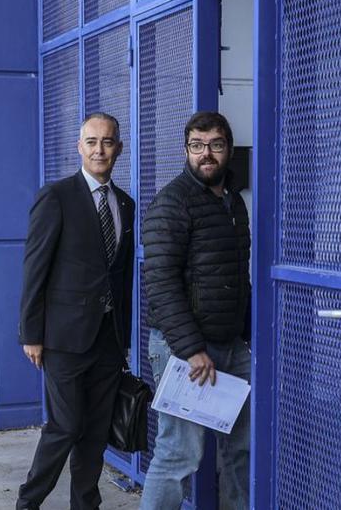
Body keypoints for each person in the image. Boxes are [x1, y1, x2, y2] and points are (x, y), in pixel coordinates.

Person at [17, 113, 135, 510]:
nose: (99, 149)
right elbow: (35, 268)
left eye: (107, 141)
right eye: (91, 141)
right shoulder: (57, 196)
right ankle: (28, 503)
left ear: (119, 147)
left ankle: (86, 505)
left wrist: (125, 339)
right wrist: (31, 333)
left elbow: (121, 278)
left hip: (107, 339)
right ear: (79, 147)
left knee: (95, 432)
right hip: (63, 338)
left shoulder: (125, 204)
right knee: (65, 426)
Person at [140, 111, 252, 510]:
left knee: (243, 449)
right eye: (197, 146)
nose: (207, 154)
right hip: (184, 350)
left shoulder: (233, 203)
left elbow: (237, 276)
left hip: (232, 346)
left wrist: (250, 336)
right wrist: (191, 348)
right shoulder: (173, 203)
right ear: (186, 150)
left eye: (216, 145)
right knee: (178, 455)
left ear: (229, 150)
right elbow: (160, 284)